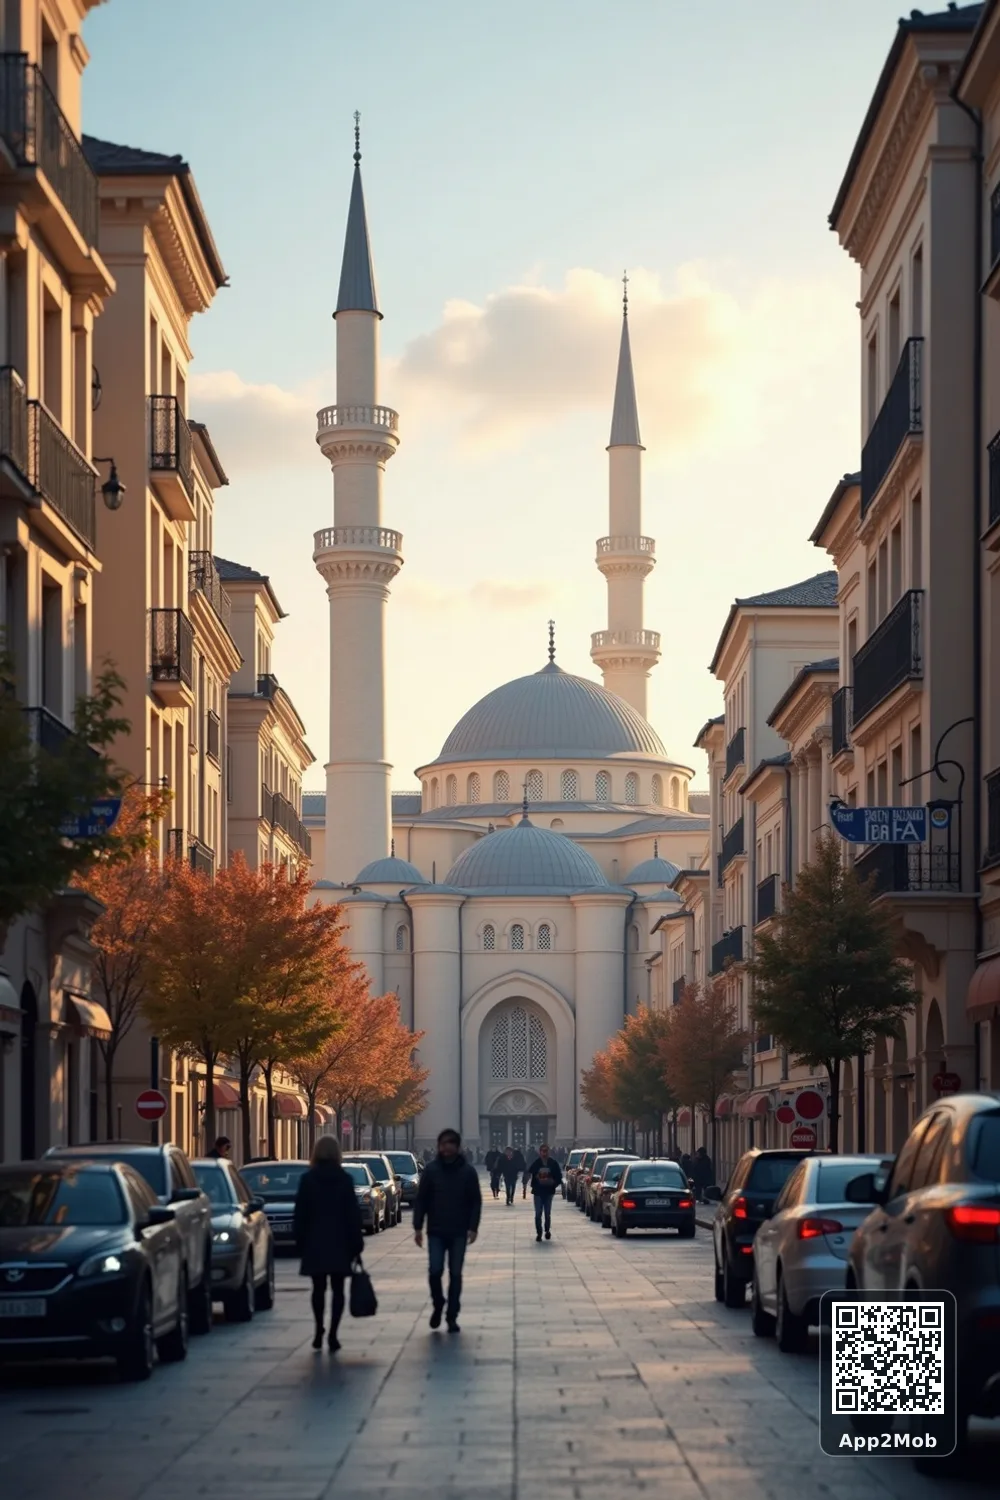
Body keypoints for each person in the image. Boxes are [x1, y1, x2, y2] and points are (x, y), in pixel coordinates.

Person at [293, 1134, 364, 1353]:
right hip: (340, 1241)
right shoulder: (345, 1179)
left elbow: (300, 1214)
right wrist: (356, 1243)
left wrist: (300, 1240)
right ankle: (333, 1332)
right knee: (338, 1289)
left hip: (315, 1241)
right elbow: (353, 1215)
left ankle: (318, 1329)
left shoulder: (307, 1179)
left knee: (318, 1289)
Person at [413, 1128, 481, 1332]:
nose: (446, 1147)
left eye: (450, 1143)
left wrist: (473, 1227)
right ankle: (438, 1303)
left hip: (459, 1231)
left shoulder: (468, 1172)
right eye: (443, 1143)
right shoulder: (431, 1170)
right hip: (436, 1230)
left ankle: (452, 1315)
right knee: (435, 1270)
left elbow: (475, 1201)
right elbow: (421, 1200)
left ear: (457, 1146)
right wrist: (418, 1227)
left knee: (456, 1273)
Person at [525, 1143, 563, 1241]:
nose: (544, 1153)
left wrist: (553, 1182)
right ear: (540, 1152)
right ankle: (539, 1233)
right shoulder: (536, 1163)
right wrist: (534, 1177)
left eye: (546, 1151)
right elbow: (529, 1172)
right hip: (538, 1192)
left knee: (547, 1213)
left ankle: (547, 1230)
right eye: (543, 1151)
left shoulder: (553, 1163)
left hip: (549, 1191)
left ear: (548, 1152)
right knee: (538, 1213)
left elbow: (559, 1177)